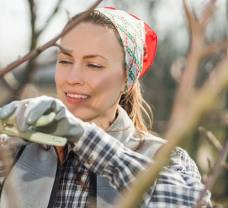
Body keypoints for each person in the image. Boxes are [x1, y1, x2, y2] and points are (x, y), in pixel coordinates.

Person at [0, 7, 211, 208]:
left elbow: (191, 203)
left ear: (127, 79)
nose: (73, 78)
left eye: (94, 65)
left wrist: (82, 136)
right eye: (64, 60)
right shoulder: (18, 148)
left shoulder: (165, 158)